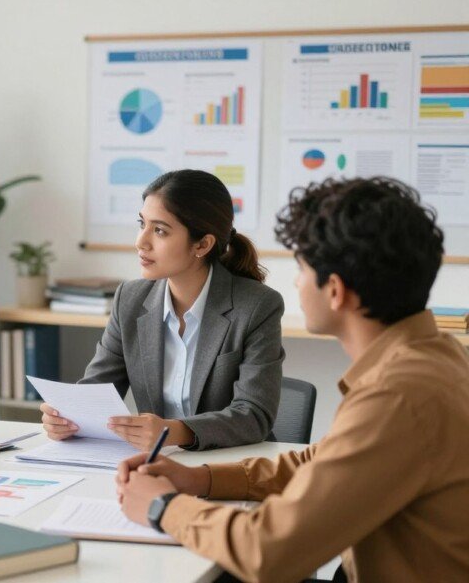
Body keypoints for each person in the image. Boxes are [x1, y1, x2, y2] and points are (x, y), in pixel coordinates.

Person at [116, 177, 469, 582]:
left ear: (334, 291)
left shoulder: (399, 396)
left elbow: (266, 552)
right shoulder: (436, 356)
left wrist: (163, 508)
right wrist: (200, 478)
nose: (297, 282)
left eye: (301, 268)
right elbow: (321, 461)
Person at [42, 169, 284, 451]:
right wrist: (68, 418)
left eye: (159, 230)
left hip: (230, 464)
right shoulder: (129, 299)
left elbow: (254, 416)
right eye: (141, 223)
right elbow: (95, 393)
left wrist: (175, 432)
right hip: (159, 464)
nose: (140, 242)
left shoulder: (256, 306)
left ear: (203, 244)